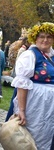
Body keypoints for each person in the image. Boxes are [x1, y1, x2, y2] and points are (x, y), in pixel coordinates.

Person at [11, 22, 54, 150]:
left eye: (49, 37)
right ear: (35, 38)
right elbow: (22, 84)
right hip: (34, 106)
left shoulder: (52, 55)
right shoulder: (30, 55)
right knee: (30, 137)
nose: (45, 40)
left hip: (49, 108)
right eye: (41, 36)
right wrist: (22, 111)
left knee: (46, 135)